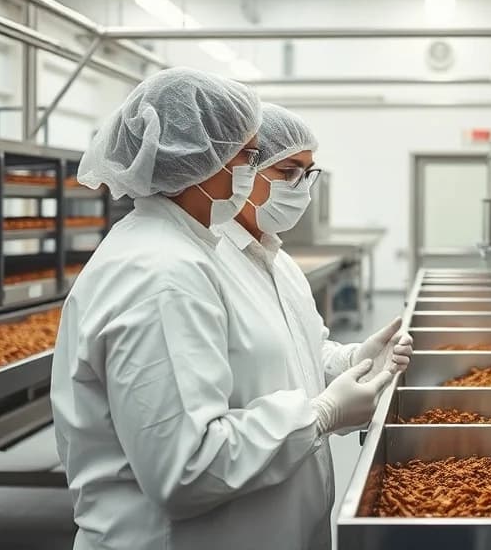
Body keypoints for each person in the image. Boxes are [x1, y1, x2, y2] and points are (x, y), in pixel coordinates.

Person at [50, 69, 395, 550]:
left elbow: (281, 357)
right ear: (199, 158)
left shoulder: (195, 250)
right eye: (249, 156)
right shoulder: (161, 274)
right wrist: (317, 416)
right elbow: (187, 467)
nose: (250, 170)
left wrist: (352, 364)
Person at [208, 103, 413, 549]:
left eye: (307, 173)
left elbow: (306, 352)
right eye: (288, 172)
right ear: (241, 170)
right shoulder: (203, 266)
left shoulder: (279, 262)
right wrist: (320, 416)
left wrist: (356, 360)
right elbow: (192, 459)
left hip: (297, 516)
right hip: (231, 528)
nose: (300, 188)